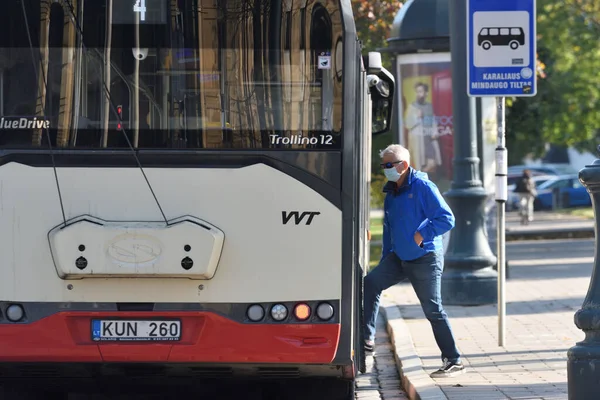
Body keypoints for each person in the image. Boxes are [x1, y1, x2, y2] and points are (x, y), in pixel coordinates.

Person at [364, 144, 465, 378]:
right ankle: (367, 338)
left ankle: (454, 360)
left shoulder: (423, 186)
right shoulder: (391, 191)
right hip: (398, 258)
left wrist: (422, 234)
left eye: (389, 165)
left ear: (404, 165)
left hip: (425, 258)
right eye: (383, 165)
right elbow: (389, 228)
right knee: (371, 283)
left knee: (433, 310)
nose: (386, 169)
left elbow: (446, 219)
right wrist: (385, 257)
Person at [404, 82, 442, 175]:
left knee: (432, 162)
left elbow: (432, 120)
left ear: (426, 93)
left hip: (429, 139)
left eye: (421, 91)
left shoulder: (429, 106)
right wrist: (417, 117)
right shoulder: (412, 106)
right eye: (417, 92)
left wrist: (434, 131)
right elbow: (407, 124)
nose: (418, 94)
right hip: (418, 140)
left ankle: (424, 177)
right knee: (419, 163)